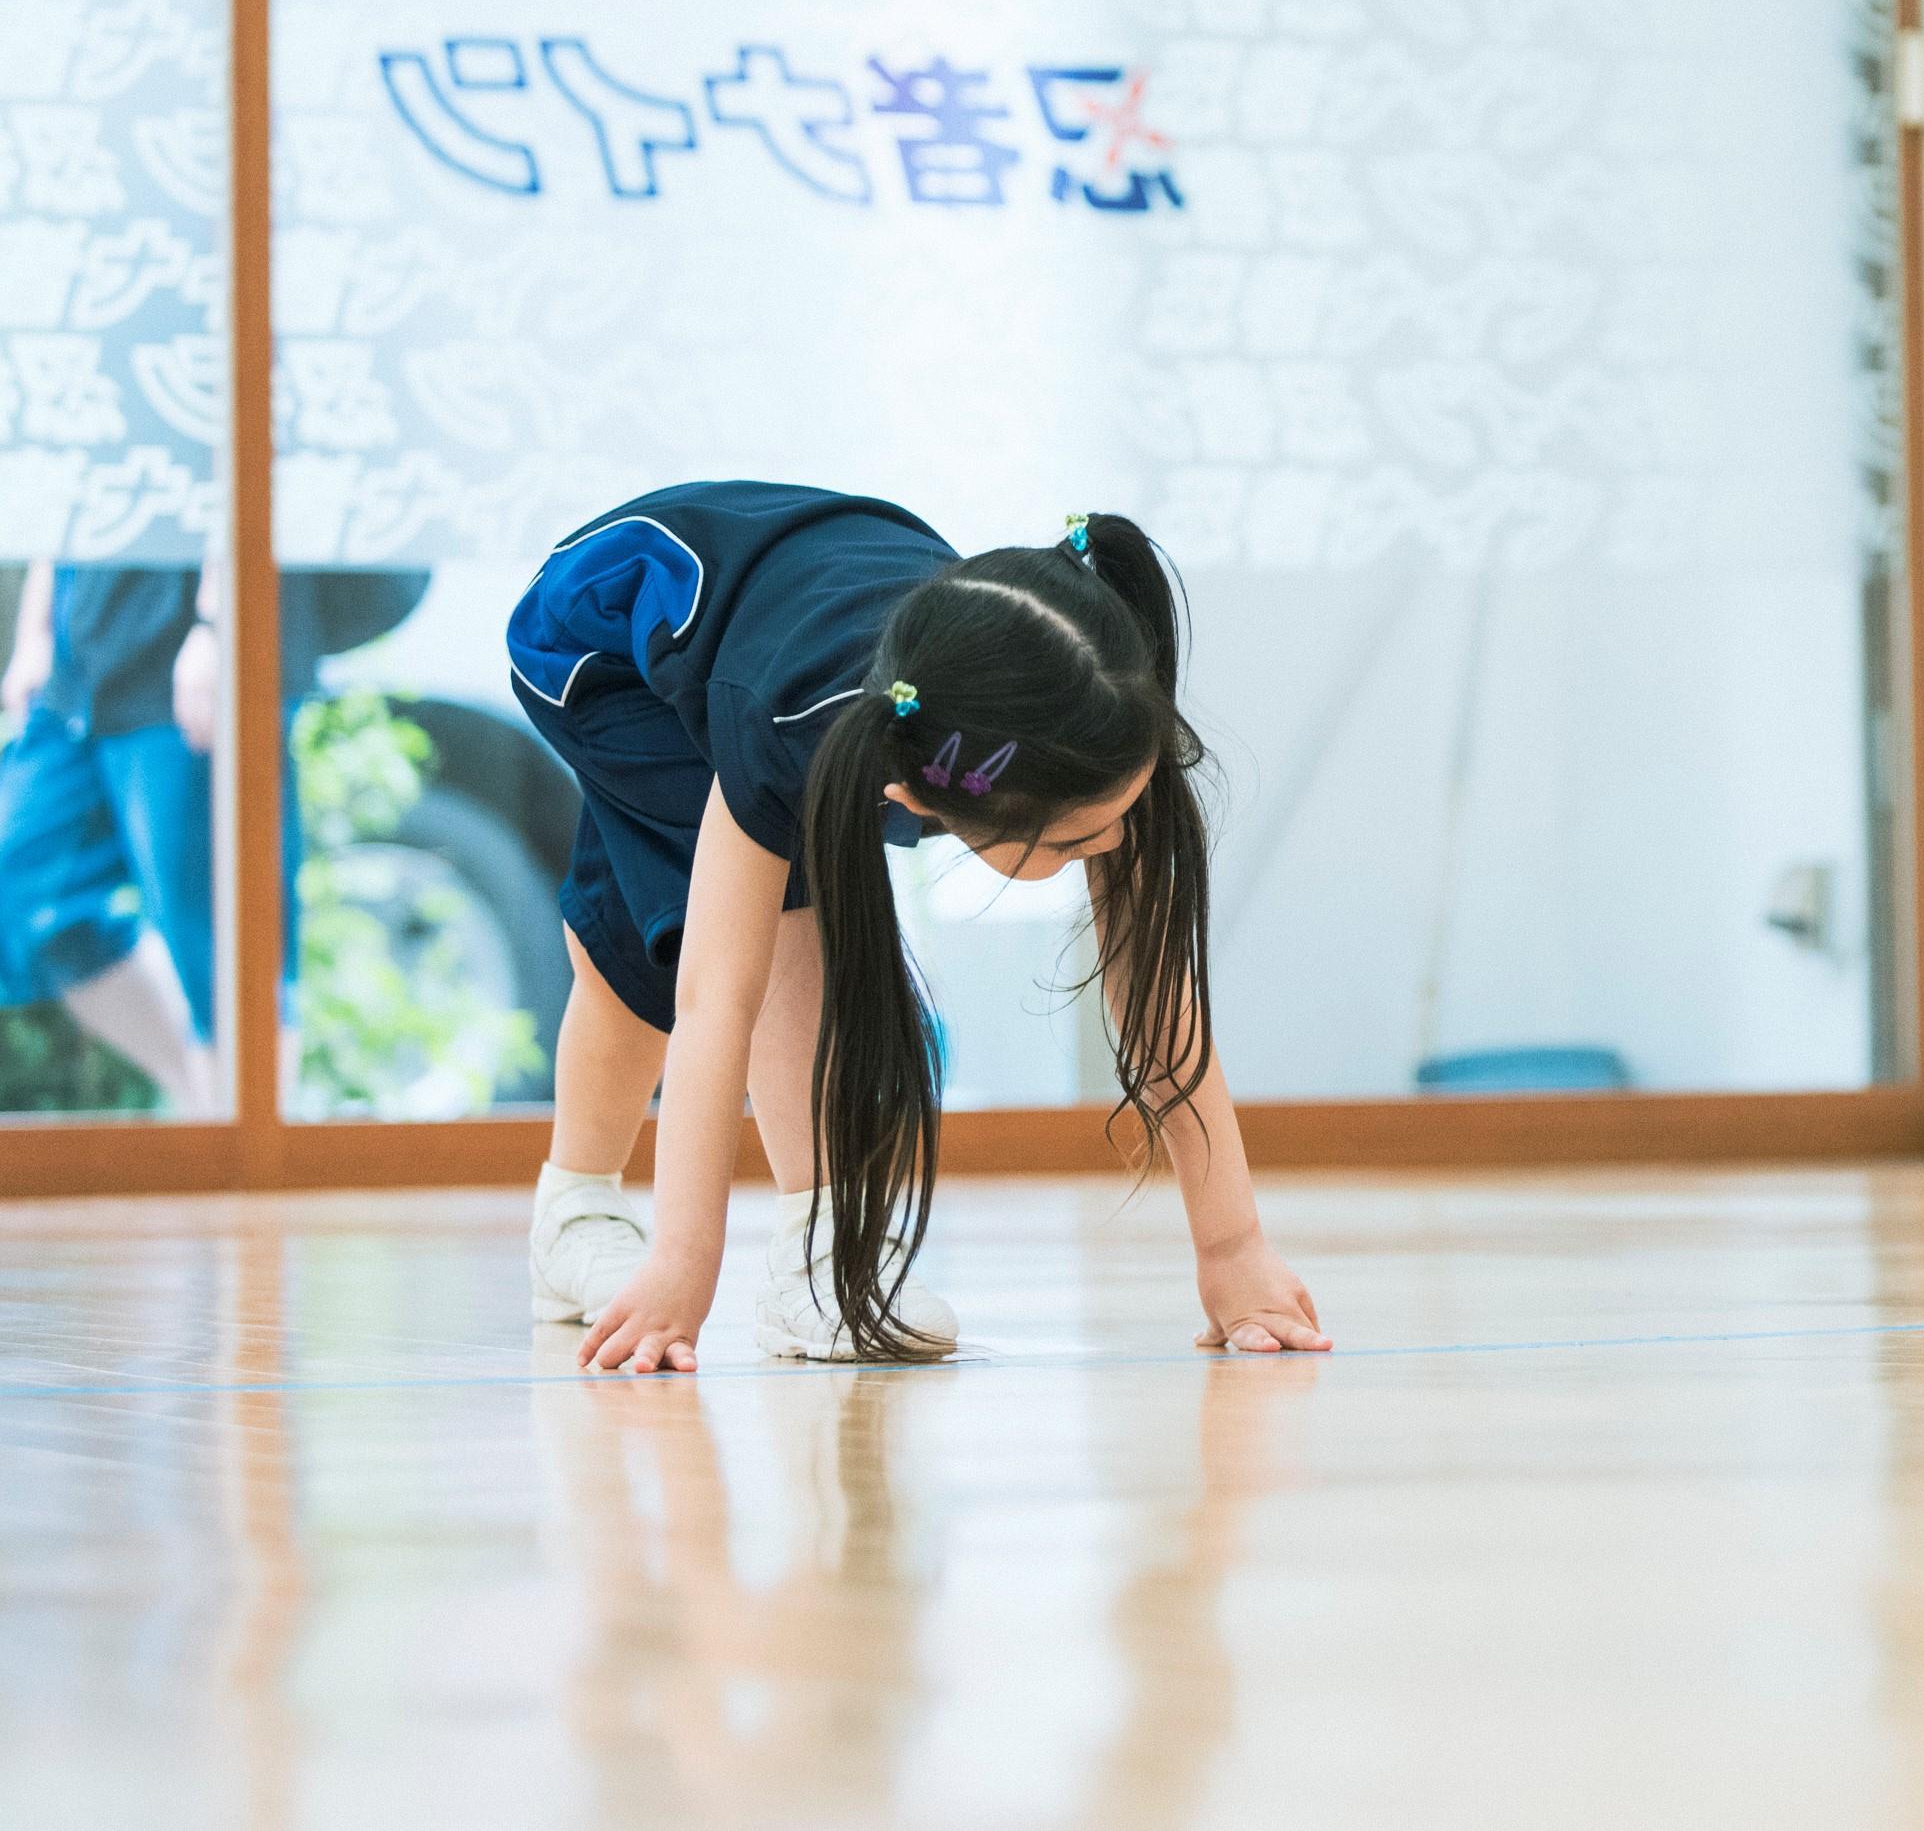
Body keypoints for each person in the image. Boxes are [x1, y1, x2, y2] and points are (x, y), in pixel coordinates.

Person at [507, 486, 1325, 1367]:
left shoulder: (1084, 729)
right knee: (763, 923)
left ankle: (574, 1209)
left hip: (760, 606)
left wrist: (1233, 1249)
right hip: (597, 640)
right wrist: (682, 1269)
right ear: (919, 802)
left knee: (646, 932)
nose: (1114, 846)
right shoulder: (794, 735)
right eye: (1079, 839)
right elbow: (717, 997)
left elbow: (1157, 993)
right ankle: (816, 1252)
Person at [0, 560, 430, 1113]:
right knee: (26, 903)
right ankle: (211, 1112)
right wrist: (36, 629)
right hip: (81, 655)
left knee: (225, 945)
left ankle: (245, 1151)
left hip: (187, 646)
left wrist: (220, 625)